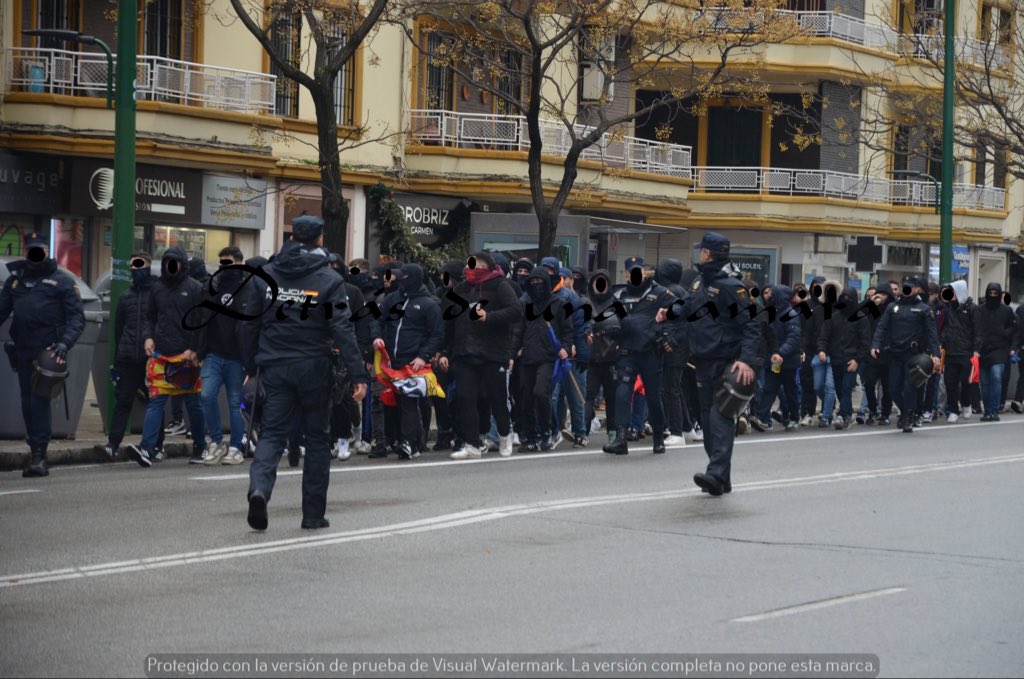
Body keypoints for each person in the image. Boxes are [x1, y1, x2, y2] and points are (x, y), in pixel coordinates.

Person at [241, 215, 368, 530]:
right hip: (314, 367)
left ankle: (259, 490)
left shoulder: (265, 276)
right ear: (320, 239)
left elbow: (248, 325)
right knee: (316, 439)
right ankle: (312, 515)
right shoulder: (329, 280)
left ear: (292, 236)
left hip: (275, 366)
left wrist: (250, 367)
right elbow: (342, 330)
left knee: (272, 434)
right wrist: (358, 374)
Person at [0, 232, 85, 477]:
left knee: (39, 402)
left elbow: (77, 319)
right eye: (31, 250)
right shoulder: (15, 282)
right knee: (27, 402)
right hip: (22, 352)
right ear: (26, 252)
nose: (35, 255)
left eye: (40, 250)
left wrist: (64, 344)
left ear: (47, 253)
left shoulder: (62, 281)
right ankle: (34, 448)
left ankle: (40, 455)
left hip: (48, 354)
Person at [686, 233, 761, 495]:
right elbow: (688, 311)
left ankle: (716, 474)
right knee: (707, 420)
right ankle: (721, 477)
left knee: (720, 417)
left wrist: (746, 360)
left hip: (724, 361)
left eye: (702, 251)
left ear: (707, 254)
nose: (700, 255)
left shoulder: (731, 287)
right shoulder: (697, 284)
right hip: (701, 361)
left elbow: (752, 323)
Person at [126, 245, 207, 467]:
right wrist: (148, 337)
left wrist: (194, 349)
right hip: (161, 355)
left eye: (176, 262)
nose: (172, 266)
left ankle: (200, 446)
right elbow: (150, 318)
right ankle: (147, 448)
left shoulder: (195, 288)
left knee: (193, 404)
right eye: (168, 262)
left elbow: (201, 323)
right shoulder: (157, 288)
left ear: (182, 264)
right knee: (156, 402)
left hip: (187, 357)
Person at [444, 252, 523, 459]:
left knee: (496, 398)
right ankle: (472, 443)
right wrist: (445, 351)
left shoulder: (499, 285)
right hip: (465, 352)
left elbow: (516, 311)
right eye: (470, 264)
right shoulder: (461, 289)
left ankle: (505, 434)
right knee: (465, 398)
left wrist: (489, 317)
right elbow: (449, 322)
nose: (473, 268)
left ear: (488, 267)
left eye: (478, 264)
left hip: (493, 352)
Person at [602, 256, 680, 456]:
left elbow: (678, 314)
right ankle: (621, 438)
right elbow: (610, 319)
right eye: (631, 272)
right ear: (626, 274)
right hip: (627, 352)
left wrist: (668, 336)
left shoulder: (660, 293)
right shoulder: (620, 295)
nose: (635, 275)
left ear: (644, 272)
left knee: (653, 397)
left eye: (639, 270)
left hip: (650, 353)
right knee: (622, 393)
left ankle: (658, 438)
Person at [371, 263, 444, 459]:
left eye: (403, 278)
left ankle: (407, 442)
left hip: (413, 362)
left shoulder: (429, 304)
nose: (400, 281)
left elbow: (437, 334)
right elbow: (377, 320)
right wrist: (376, 337)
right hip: (389, 360)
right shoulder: (392, 299)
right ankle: (412, 442)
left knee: (409, 402)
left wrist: (423, 356)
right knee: (391, 401)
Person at [102, 253, 166, 461]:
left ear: (149, 267)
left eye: (140, 266)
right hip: (129, 358)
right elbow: (118, 329)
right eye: (133, 267)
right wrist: (118, 358)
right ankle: (112, 444)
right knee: (123, 401)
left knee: (155, 402)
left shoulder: (157, 293)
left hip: (151, 358)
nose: (136, 271)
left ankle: (157, 445)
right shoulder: (125, 297)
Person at [198, 247, 250, 466]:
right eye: (221, 263)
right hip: (213, 354)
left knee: (234, 404)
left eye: (228, 262)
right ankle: (217, 442)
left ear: (239, 262)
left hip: (237, 358)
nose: (224, 267)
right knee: (206, 396)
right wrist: (197, 350)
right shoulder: (212, 287)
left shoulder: (248, 288)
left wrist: (251, 362)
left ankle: (236, 447)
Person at [512, 267, 574, 452]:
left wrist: (565, 348)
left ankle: (546, 433)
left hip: (549, 357)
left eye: (540, 282)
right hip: (527, 357)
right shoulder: (525, 304)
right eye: (533, 282)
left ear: (547, 283)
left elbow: (568, 331)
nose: (536, 286)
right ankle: (530, 436)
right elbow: (518, 330)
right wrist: (513, 352)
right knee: (526, 398)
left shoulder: (559, 304)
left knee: (541, 393)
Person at [870, 276, 940, 433]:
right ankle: (906, 411)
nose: (907, 289)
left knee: (909, 388)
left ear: (916, 290)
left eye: (911, 287)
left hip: (914, 355)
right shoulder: (892, 307)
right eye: (905, 286)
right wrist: (875, 345)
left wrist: (936, 354)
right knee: (894, 388)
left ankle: (908, 416)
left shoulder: (924, 309)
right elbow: (881, 327)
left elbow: (932, 334)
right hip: (895, 354)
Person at [750, 284, 801, 433]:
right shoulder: (771, 313)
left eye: (773, 294)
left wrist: (780, 352)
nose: (769, 297)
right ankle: (761, 417)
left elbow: (793, 338)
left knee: (790, 390)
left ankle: (794, 418)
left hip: (787, 360)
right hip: (774, 360)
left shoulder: (790, 314)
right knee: (769, 388)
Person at [818, 286, 871, 430]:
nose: (846, 301)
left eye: (849, 298)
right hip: (835, 359)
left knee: (847, 388)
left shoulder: (861, 318)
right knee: (840, 389)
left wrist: (857, 360)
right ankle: (847, 413)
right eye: (844, 298)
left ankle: (841, 415)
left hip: (851, 360)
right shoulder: (834, 317)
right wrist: (822, 350)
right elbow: (824, 335)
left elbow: (865, 342)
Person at [654, 259, 691, 446]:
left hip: (675, 348)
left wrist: (671, 340)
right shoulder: (680, 290)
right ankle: (687, 427)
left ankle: (677, 432)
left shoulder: (672, 292)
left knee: (671, 389)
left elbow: (683, 321)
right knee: (676, 388)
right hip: (678, 346)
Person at [584, 269, 621, 440]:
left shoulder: (615, 303)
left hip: (611, 357)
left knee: (611, 396)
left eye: (603, 282)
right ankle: (583, 429)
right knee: (588, 394)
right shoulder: (586, 302)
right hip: (591, 357)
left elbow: (624, 326)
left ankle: (612, 429)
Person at [973, 282, 1017, 421]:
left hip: (1000, 349)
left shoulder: (1007, 311)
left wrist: (1006, 336)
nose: (993, 295)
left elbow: (1015, 327)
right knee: (985, 383)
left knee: (996, 377)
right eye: (990, 293)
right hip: (983, 349)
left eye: (995, 293)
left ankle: (994, 409)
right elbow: (976, 329)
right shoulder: (980, 310)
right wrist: (976, 348)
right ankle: (988, 411)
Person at [938, 281, 980, 423]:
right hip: (950, 352)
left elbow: (978, 331)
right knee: (950, 382)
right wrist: (942, 342)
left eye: (954, 292)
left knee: (966, 382)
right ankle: (953, 410)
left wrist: (976, 350)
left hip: (966, 352)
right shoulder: (948, 309)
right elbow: (945, 328)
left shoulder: (972, 309)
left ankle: (966, 404)